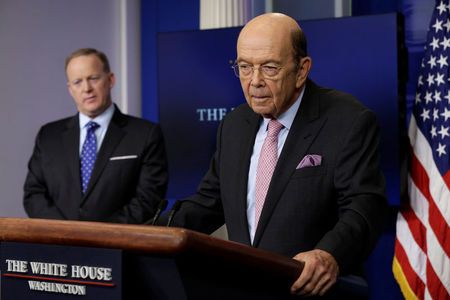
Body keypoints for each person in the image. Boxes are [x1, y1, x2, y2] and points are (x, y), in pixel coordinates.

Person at [160, 13, 387, 297]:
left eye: (269, 67)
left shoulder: (347, 120)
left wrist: (329, 254)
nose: (254, 81)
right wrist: (145, 234)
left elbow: (364, 205)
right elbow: (209, 202)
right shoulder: (234, 125)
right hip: (241, 289)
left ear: (302, 69)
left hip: (306, 290)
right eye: (244, 67)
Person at [24, 48, 168, 224]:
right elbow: (34, 194)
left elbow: (148, 199)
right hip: (58, 246)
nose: (87, 88)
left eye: (93, 78)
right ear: (70, 89)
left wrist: (97, 236)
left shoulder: (145, 134)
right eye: (78, 82)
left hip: (118, 246)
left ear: (110, 80)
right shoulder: (48, 135)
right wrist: (64, 233)